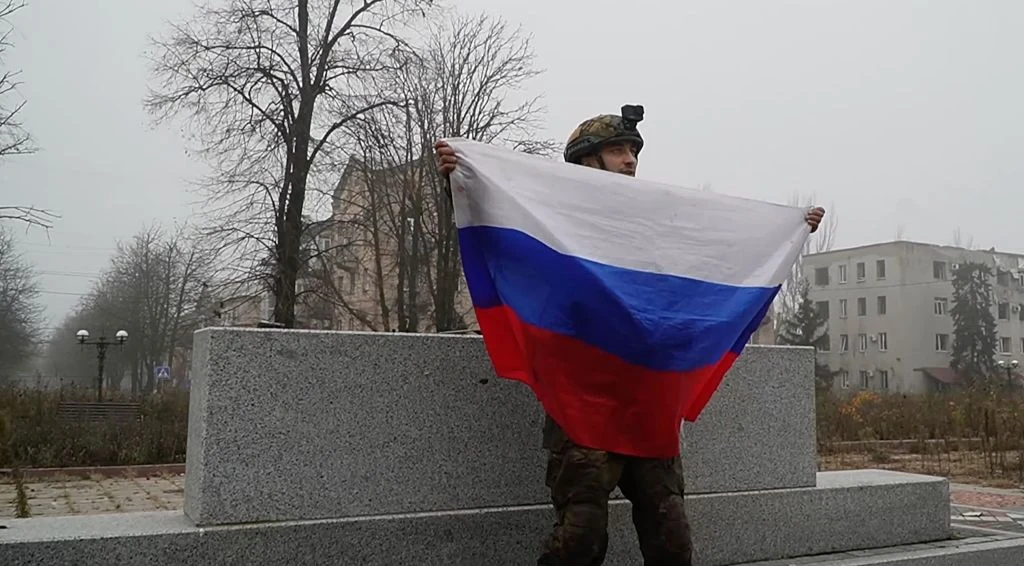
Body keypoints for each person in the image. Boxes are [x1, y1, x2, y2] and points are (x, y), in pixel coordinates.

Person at [434, 106, 825, 566]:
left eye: (633, 151)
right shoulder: (551, 216)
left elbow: (712, 248)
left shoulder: (651, 223)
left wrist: (786, 230)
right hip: (582, 407)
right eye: (617, 150)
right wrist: (458, 177)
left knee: (671, 539)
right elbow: (497, 219)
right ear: (585, 162)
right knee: (581, 539)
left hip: (646, 405)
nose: (630, 160)